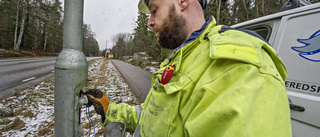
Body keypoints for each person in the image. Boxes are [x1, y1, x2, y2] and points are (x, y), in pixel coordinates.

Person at [85, 0, 292, 136]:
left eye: (155, 10)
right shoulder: (180, 60)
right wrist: (110, 110)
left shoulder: (238, 65)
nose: (149, 22)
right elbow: (153, 117)